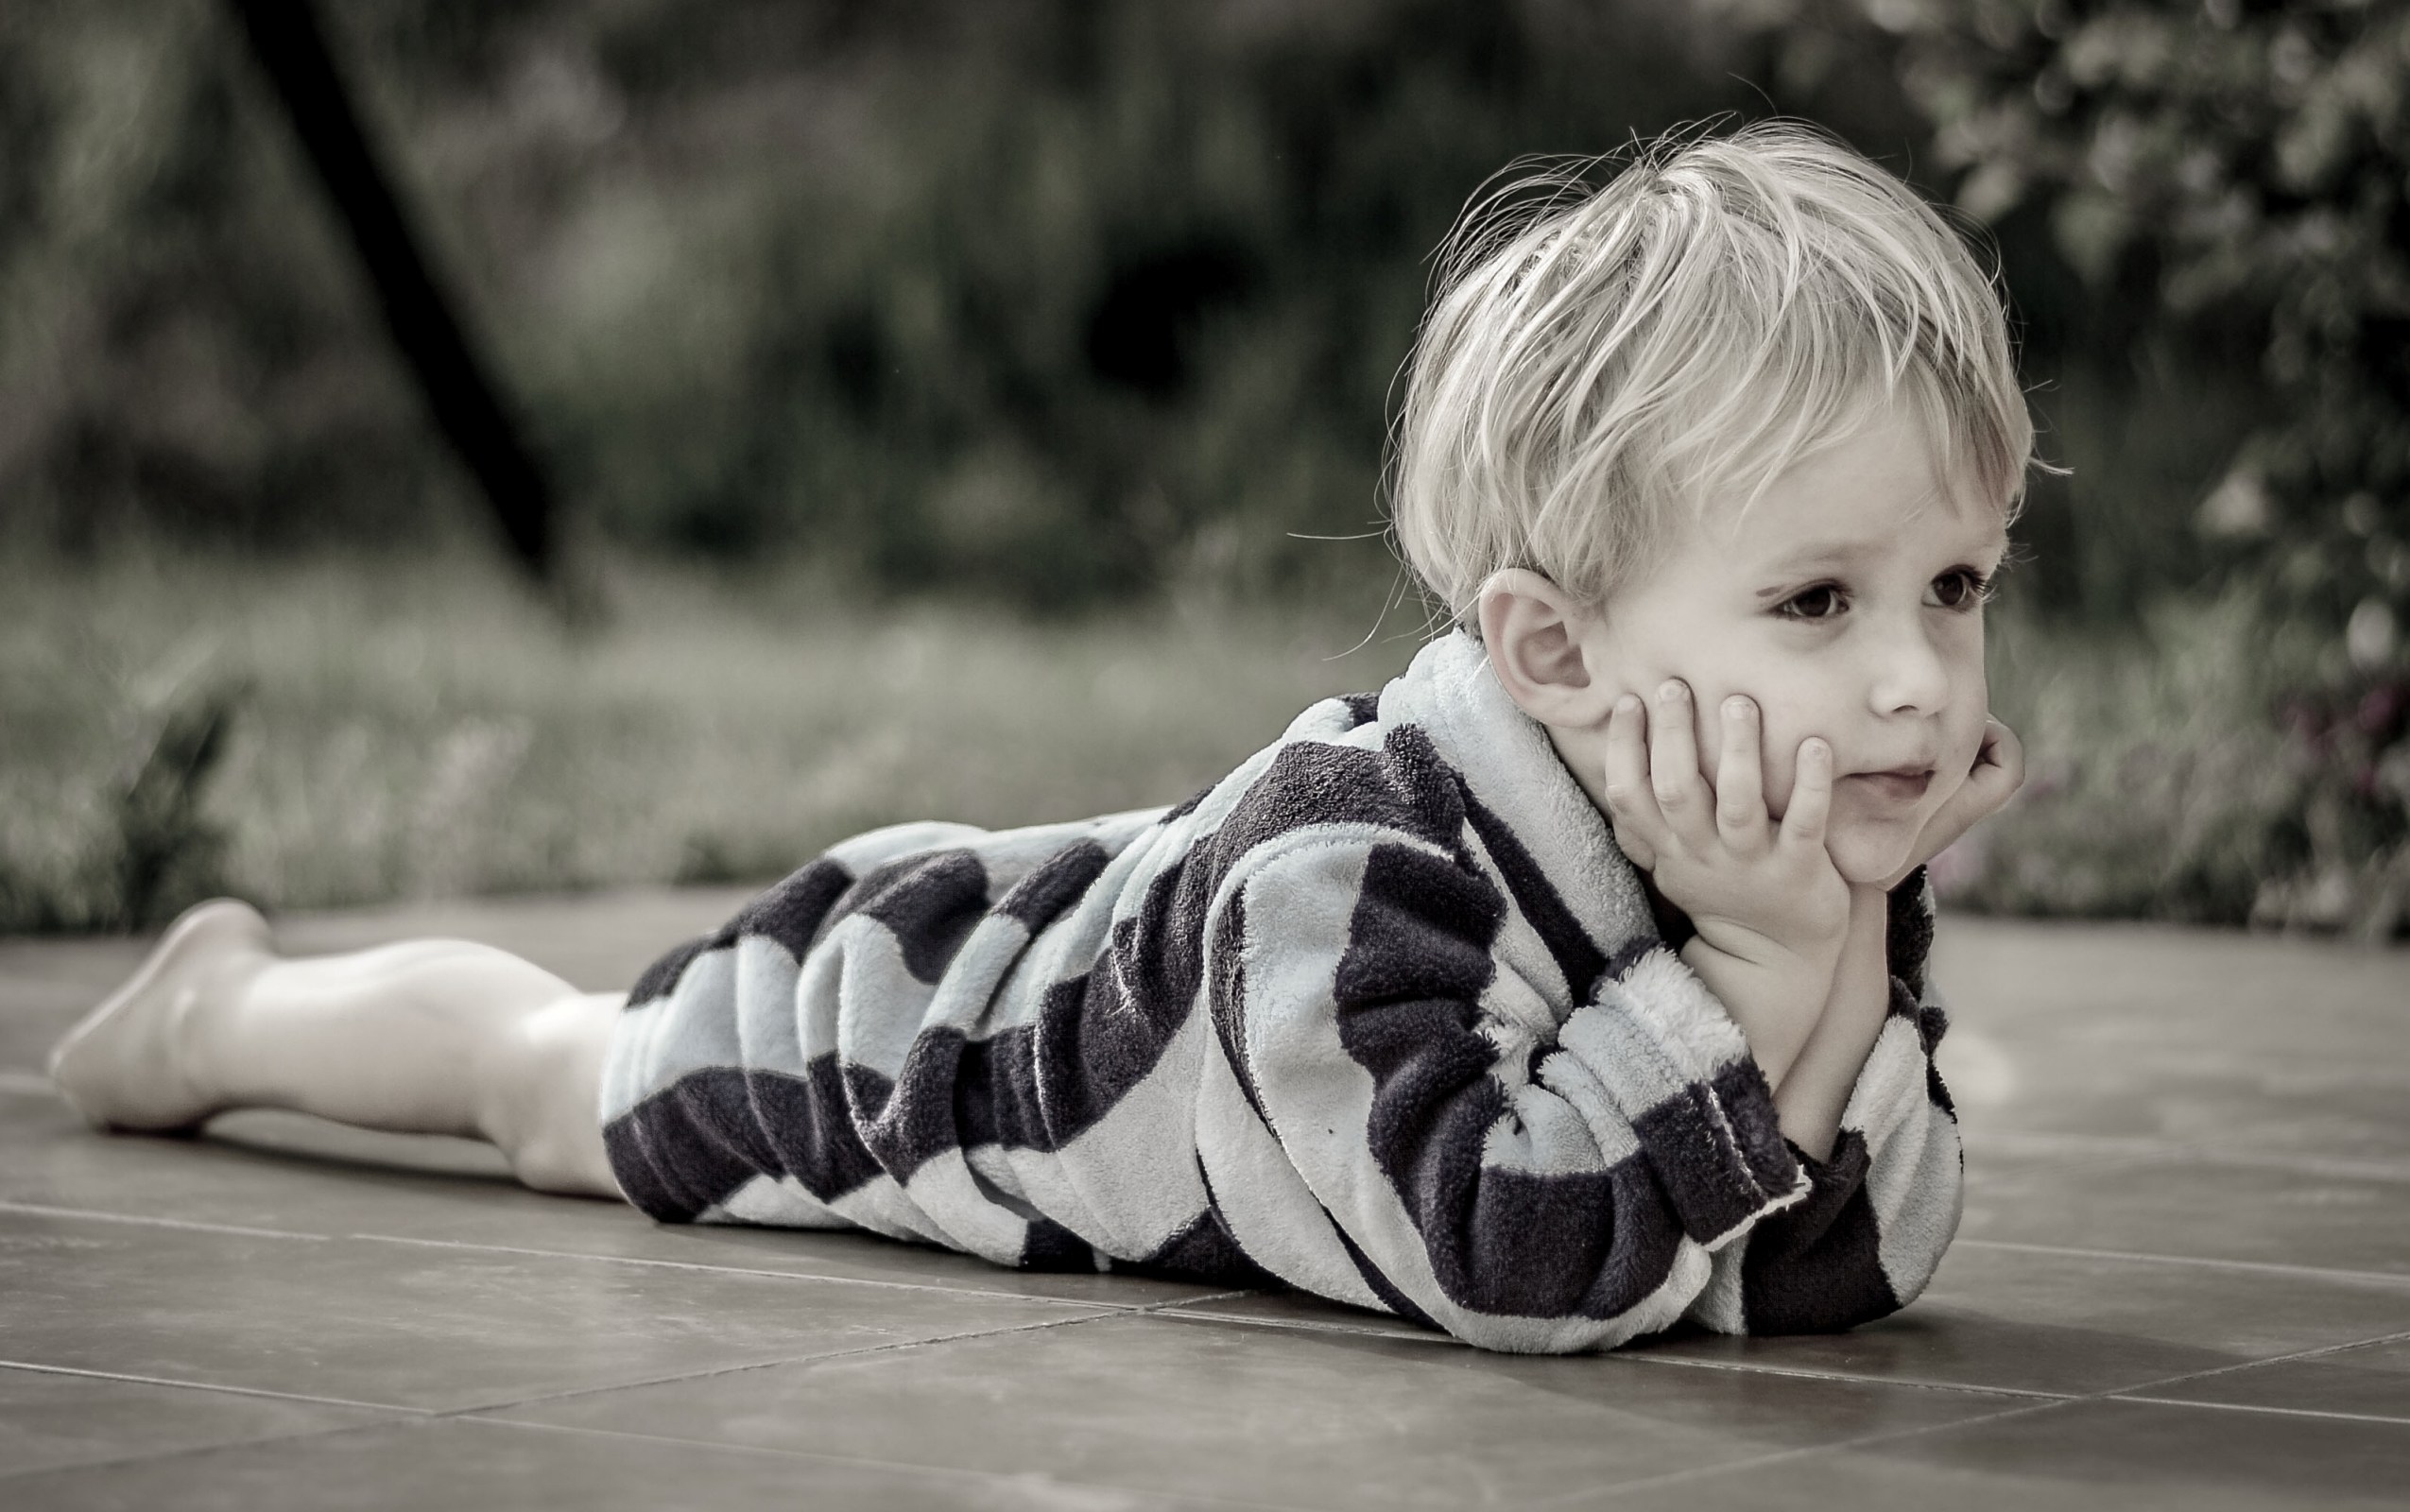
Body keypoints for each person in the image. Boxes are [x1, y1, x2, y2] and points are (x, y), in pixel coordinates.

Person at [47, 122, 2029, 1355]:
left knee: (553, 1069)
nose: (1917, 681)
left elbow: (1825, 1259)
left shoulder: (1756, 864)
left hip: (1102, 976)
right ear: (1553, 647)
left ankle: (238, 1003)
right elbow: (1514, 1258)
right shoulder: (1351, 876)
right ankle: (222, 1014)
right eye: (1817, 601)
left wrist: (1833, 939)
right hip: (919, 1028)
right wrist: (1772, 957)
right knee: (551, 1081)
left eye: (1954, 585)